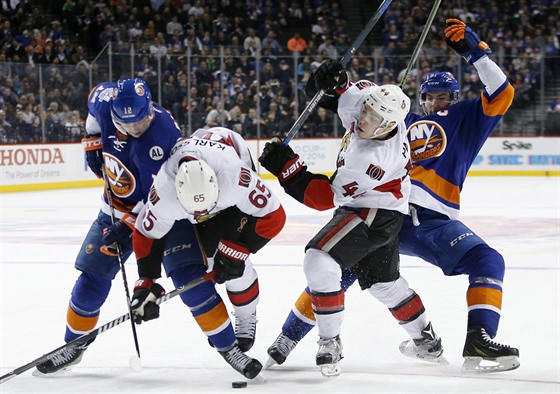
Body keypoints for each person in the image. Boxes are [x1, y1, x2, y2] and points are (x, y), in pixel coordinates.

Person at [263, 17, 520, 374]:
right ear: (419, 98)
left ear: (456, 98)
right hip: (386, 210)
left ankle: (477, 339)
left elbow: (503, 92)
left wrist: (474, 51)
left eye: (444, 96)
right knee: (339, 269)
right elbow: (337, 101)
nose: (436, 102)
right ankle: (288, 338)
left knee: (486, 261)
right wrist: (325, 84)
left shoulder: (467, 119)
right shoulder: (396, 117)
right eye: (430, 96)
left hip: (427, 219)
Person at [259, 61, 445, 377]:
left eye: (374, 121)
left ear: (389, 127)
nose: (364, 122)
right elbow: (326, 96)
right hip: (388, 209)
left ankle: (330, 341)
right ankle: (427, 341)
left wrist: (288, 169)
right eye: (366, 113)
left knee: (319, 261)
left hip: (371, 211)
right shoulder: (368, 98)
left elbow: (322, 197)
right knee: (384, 285)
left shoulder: (372, 158)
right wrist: (331, 80)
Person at [33, 78, 186, 375]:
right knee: (91, 280)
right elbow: (93, 108)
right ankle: (72, 346)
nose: (135, 129)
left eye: (141, 121)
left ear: (150, 109)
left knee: (186, 278)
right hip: (112, 210)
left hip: (159, 218)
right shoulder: (105, 101)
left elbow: (159, 195)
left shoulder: (164, 134)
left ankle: (229, 344)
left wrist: (130, 226)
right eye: (126, 124)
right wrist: (91, 141)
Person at [130, 126, 286, 379]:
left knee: (235, 268)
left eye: (207, 208)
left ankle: (247, 315)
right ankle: (228, 345)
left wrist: (239, 249)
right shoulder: (165, 193)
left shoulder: (235, 177)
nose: (203, 215)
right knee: (190, 274)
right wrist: (146, 282)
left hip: (228, 181)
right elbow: (147, 233)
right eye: (197, 212)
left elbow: (274, 216)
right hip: (193, 200)